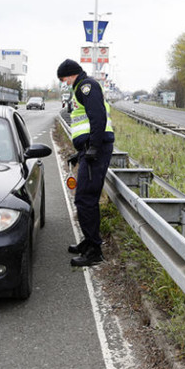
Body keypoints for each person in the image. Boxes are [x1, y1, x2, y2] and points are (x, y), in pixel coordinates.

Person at [57, 58, 114, 267]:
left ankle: (94, 250)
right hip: (90, 149)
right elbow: (85, 123)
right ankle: (89, 242)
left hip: (96, 150)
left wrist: (93, 148)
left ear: (70, 74)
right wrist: (81, 151)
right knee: (84, 198)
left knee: (85, 199)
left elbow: (97, 118)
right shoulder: (80, 87)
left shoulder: (86, 86)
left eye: (63, 79)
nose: (64, 83)